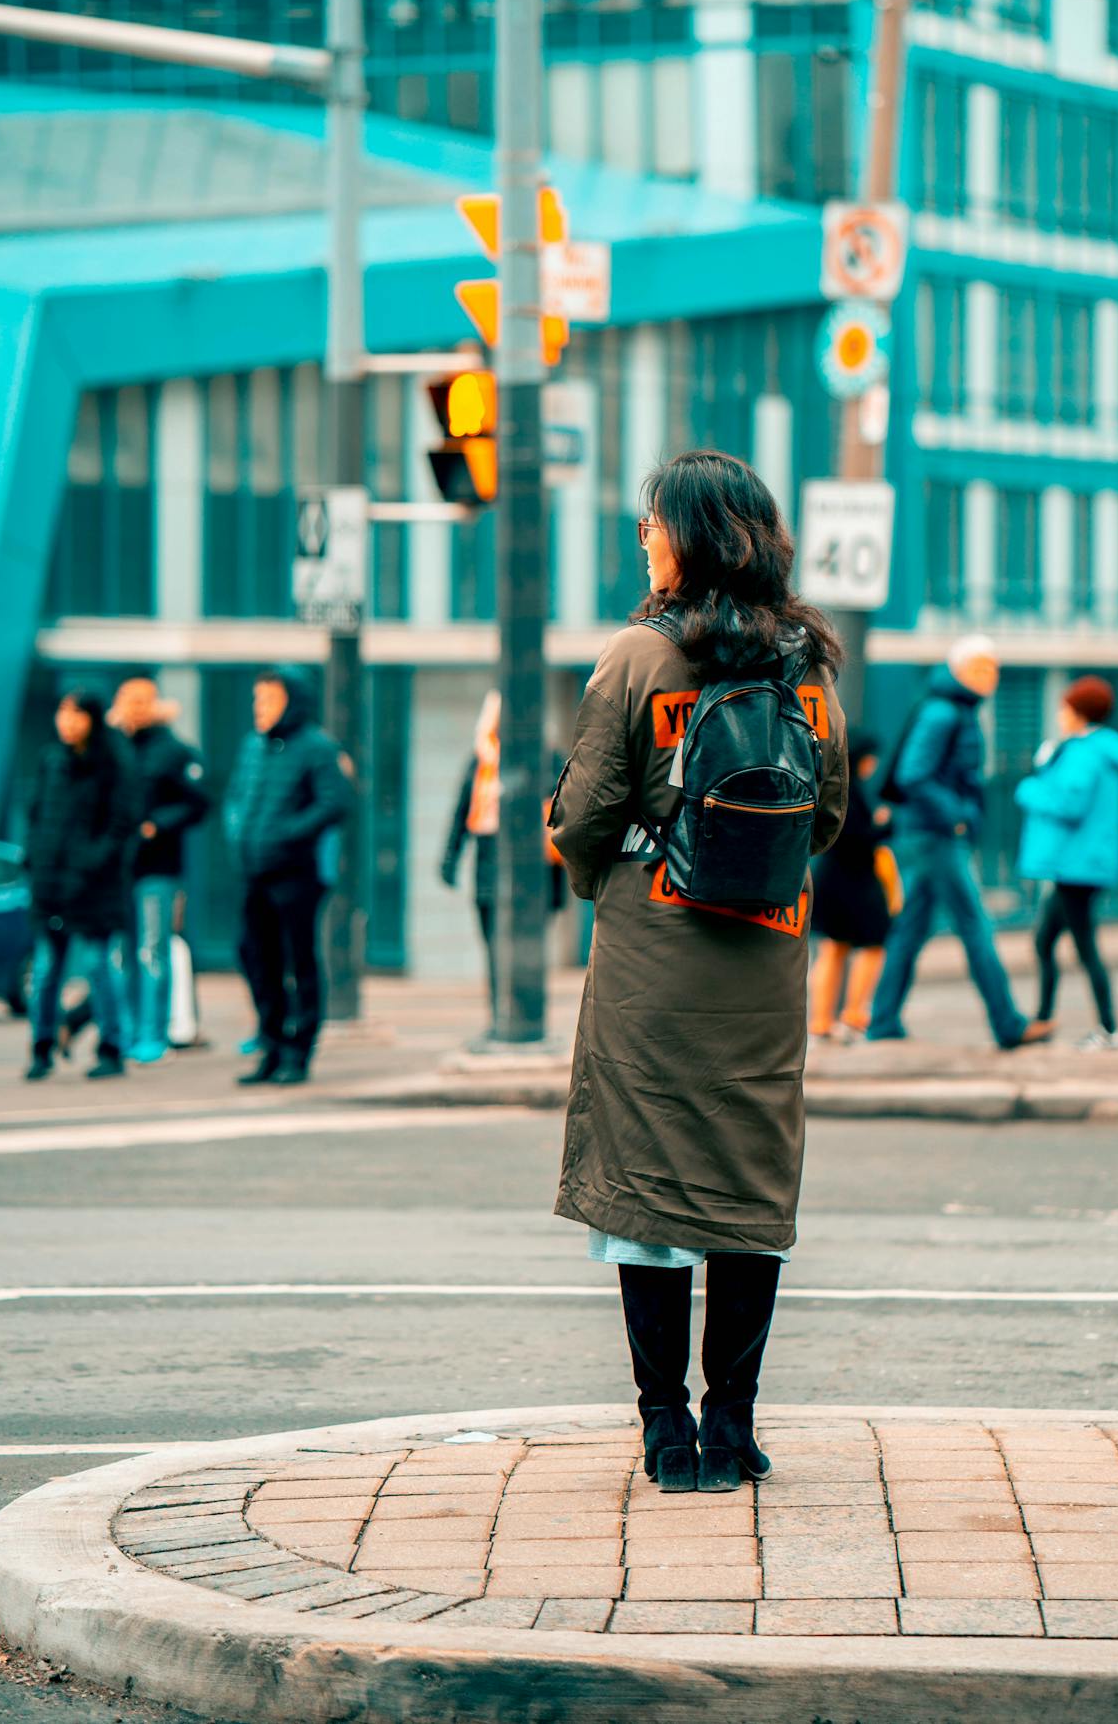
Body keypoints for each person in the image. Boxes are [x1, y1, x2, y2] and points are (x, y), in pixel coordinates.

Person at [551, 450, 849, 1493]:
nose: (644, 537)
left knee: (645, 1197)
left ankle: (666, 1433)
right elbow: (829, 815)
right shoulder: (804, 664)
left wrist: (602, 874)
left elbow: (585, 809)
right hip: (764, 958)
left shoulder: (638, 656)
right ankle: (735, 1427)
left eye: (652, 522)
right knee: (746, 1188)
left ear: (689, 533)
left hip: (653, 957)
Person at [864, 636, 1042, 1050]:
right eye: (981, 667)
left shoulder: (950, 707)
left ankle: (883, 1021)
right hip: (934, 837)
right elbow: (913, 774)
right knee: (974, 924)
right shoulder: (944, 712)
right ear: (958, 670)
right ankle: (1008, 1024)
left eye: (993, 668)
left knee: (911, 928)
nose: (990, 676)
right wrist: (957, 818)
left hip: (924, 833)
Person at [223, 667, 350, 1087]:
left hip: (297, 874)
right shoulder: (252, 746)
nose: (260, 709)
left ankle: (299, 1051)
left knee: (298, 961)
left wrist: (285, 835)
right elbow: (236, 796)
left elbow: (334, 803)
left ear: (291, 702)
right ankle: (272, 1045)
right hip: (253, 871)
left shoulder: (316, 747)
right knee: (255, 957)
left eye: (269, 700)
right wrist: (237, 830)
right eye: (257, 700)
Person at [23, 689, 138, 1082]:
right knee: (45, 970)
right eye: (63, 713)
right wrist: (34, 859)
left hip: (93, 888)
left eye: (76, 715)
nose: (67, 722)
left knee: (98, 966)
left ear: (92, 719)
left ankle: (111, 1047)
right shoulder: (50, 760)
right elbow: (35, 814)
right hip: (50, 884)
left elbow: (121, 825)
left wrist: (92, 863)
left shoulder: (112, 764)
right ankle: (41, 1048)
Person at [439, 691, 566, 1036]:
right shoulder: (480, 762)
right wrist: (449, 859)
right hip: (489, 866)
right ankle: (499, 1016)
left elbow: (563, 810)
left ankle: (524, 1017)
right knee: (494, 946)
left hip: (534, 871)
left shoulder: (547, 758)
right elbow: (461, 812)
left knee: (527, 947)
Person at [1017, 675, 1118, 1052]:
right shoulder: (1098, 751)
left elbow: (1069, 805)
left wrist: (1029, 788)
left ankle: (1109, 1030)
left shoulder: (1085, 754)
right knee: (1045, 940)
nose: (1059, 714)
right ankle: (1045, 1019)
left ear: (1079, 712)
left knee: (1083, 947)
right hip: (1083, 863)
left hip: (1077, 866)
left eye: (1065, 708)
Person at [109, 677, 211, 1064]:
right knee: (123, 954)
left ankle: (154, 1033)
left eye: (140, 702)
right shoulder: (114, 749)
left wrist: (157, 825)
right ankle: (128, 1031)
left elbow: (199, 803)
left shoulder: (173, 751)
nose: (133, 709)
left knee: (153, 951)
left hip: (158, 869)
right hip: (120, 869)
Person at [808, 730, 896, 1041]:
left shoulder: (834, 785)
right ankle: (855, 1013)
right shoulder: (853, 791)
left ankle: (821, 1021)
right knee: (873, 942)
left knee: (833, 947)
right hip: (854, 880)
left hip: (831, 878)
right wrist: (884, 826)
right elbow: (858, 838)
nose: (873, 764)